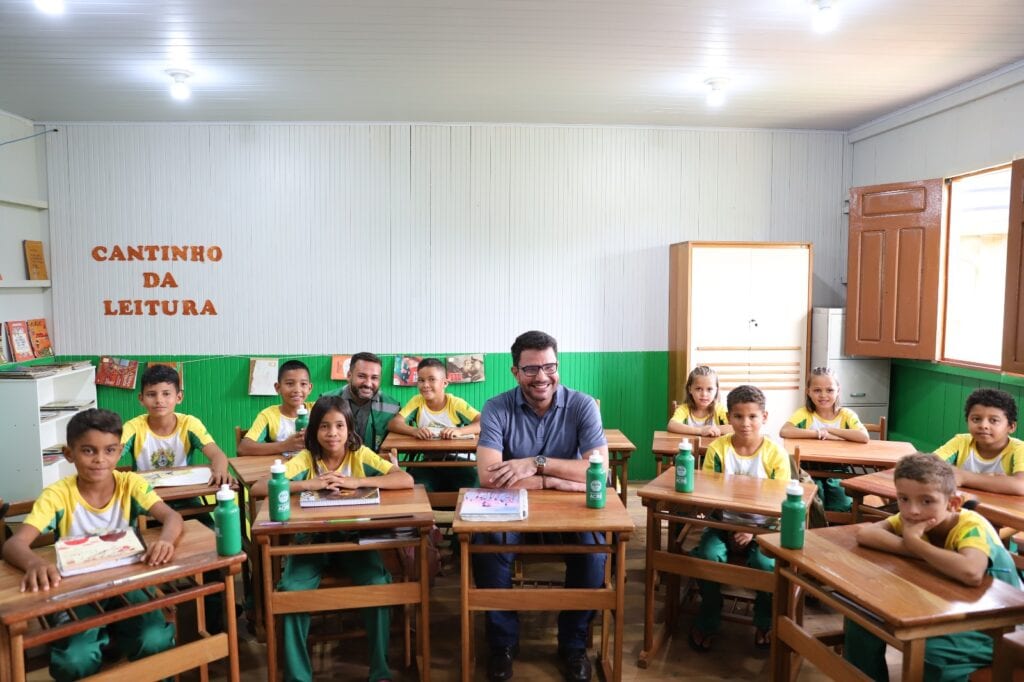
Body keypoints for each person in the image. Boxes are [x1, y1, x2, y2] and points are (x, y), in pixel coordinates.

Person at [2, 409, 182, 681]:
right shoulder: (58, 494)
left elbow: (171, 516)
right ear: (69, 454)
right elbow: (14, 544)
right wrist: (35, 562)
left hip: (127, 585)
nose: (100, 459)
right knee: (76, 658)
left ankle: (122, 643)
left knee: (154, 639)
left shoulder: (130, 483)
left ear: (120, 451)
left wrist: (166, 540)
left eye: (109, 450)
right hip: (77, 591)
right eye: (88, 451)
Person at [473, 330, 607, 682]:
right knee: (487, 546)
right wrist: (559, 480)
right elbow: (489, 477)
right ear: (515, 372)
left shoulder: (582, 406)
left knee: (595, 550)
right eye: (531, 370)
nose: (542, 377)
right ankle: (502, 644)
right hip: (511, 507)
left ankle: (573, 644)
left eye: (550, 367)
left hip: (567, 512)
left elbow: (599, 471)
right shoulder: (496, 407)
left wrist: (536, 464)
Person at [252, 395, 413, 682]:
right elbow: (259, 488)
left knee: (377, 584)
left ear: (350, 430)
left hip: (354, 538)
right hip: (311, 540)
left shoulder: (359, 454)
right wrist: (309, 484)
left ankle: (380, 671)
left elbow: (404, 480)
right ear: (314, 431)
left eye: (340, 426)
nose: (333, 434)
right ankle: (298, 676)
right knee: (290, 591)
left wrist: (357, 481)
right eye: (325, 427)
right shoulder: (306, 459)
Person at [844, 453, 1019, 681]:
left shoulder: (969, 525)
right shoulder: (916, 519)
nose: (912, 510)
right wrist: (914, 546)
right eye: (903, 499)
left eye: (927, 501)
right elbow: (866, 534)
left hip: (997, 625)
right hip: (946, 607)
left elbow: (971, 572)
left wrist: (916, 544)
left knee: (933, 653)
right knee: (860, 618)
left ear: (953, 503)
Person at [690, 384, 791, 652]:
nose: (745, 423)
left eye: (753, 417)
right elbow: (709, 495)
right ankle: (709, 615)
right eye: (738, 416)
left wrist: (754, 534)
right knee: (707, 557)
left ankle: (764, 619)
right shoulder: (718, 450)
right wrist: (731, 527)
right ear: (728, 418)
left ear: (764, 418)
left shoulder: (775, 454)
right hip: (723, 524)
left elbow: (782, 505)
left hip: (765, 528)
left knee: (766, 565)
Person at [121, 364, 233, 485]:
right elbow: (111, 453)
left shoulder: (189, 424)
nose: (159, 400)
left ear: (179, 397)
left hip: (183, 493)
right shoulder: (133, 427)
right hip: (144, 496)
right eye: (151, 394)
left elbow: (217, 454)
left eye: (166, 393)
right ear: (141, 399)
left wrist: (220, 471)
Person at [779, 366, 868, 511]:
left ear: (838, 390)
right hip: (811, 469)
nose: (823, 395)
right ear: (808, 392)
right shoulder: (805, 413)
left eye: (830, 390)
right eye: (817, 390)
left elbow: (864, 436)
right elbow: (785, 431)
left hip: (840, 470)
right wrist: (817, 433)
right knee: (814, 498)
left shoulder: (846, 414)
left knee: (841, 505)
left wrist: (829, 430)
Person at [386, 357, 481, 492]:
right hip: (429, 460)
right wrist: (414, 431)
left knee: (471, 487)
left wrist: (460, 431)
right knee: (416, 488)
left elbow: (483, 422)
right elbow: (394, 423)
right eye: (421, 380)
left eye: (432, 379)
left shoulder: (455, 403)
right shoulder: (417, 401)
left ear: (445, 383)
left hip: (458, 460)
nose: (425, 385)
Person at [934, 388, 1024, 495]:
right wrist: (993, 481)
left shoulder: (1019, 449)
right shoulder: (961, 441)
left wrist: (963, 477)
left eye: (994, 420)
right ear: (967, 421)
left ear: (1011, 427)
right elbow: (929, 468)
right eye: (976, 419)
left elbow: (1021, 486)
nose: (983, 426)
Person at [323, 352, 401, 452]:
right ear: (349, 376)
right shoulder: (326, 401)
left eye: (374, 378)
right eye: (361, 376)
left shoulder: (393, 407)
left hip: (376, 465)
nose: (368, 384)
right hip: (335, 465)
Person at [238, 359, 314, 458]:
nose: (297, 390)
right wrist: (286, 445)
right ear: (278, 388)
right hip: (283, 469)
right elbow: (243, 448)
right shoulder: (268, 415)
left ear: (310, 388)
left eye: (303, 384)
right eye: (290, 384)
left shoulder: (318, 410)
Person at [667, 365, 731, 437]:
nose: (704, 394)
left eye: (709, 389)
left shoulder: (719, 408)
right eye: (698, 389)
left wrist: (711, 429)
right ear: (690, 389)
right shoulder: (684, 409)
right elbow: (671, 425)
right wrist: (701, 431)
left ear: (716, 390)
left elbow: (733, 428)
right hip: (690, 447)